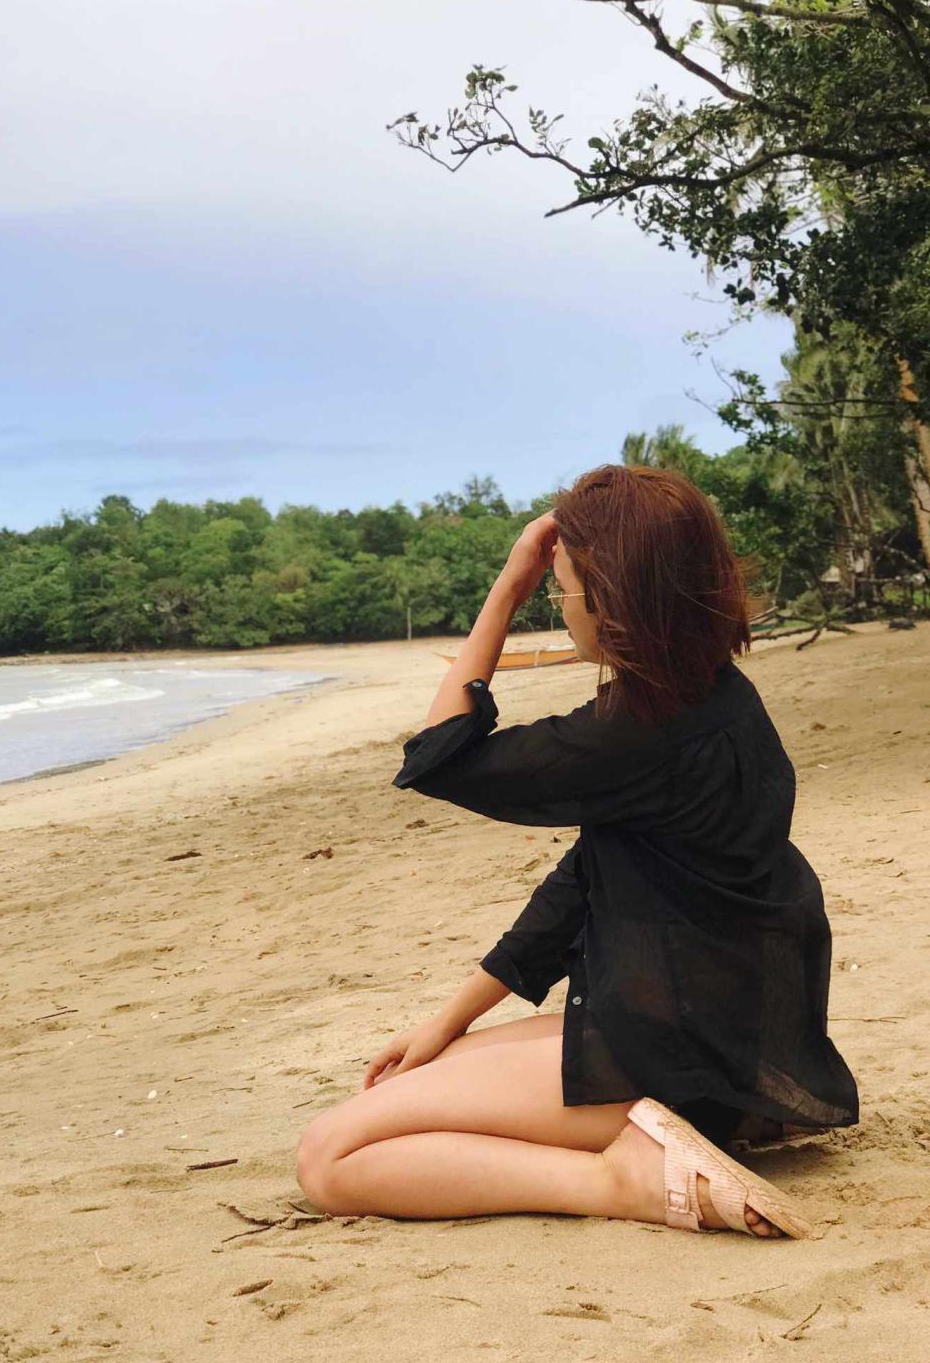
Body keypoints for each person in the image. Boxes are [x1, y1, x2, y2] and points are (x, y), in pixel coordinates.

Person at [296, 464, 858, 1238]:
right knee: (405, 1090)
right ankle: (687, 1131)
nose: (559, 609)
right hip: (731, 1046)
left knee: (330, 1155)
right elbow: (581, 883)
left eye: (561, 591)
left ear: (610, 599)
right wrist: (446, 1021)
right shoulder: (719, 699)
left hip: (676, 1059)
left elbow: (440, 757)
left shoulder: (634, 736)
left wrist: (508, 585)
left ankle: (619, 1179)